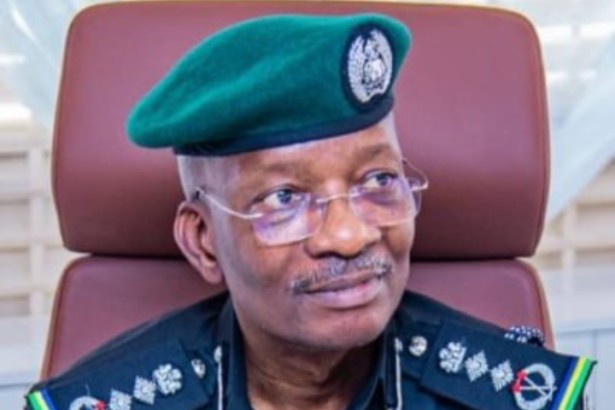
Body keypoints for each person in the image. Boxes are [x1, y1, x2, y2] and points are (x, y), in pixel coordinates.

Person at [25, 14, 594, 410]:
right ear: (202, 240)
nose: (349, 235)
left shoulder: (516, 394)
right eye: (284, 198)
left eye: (378, 181)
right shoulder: (108, 400)